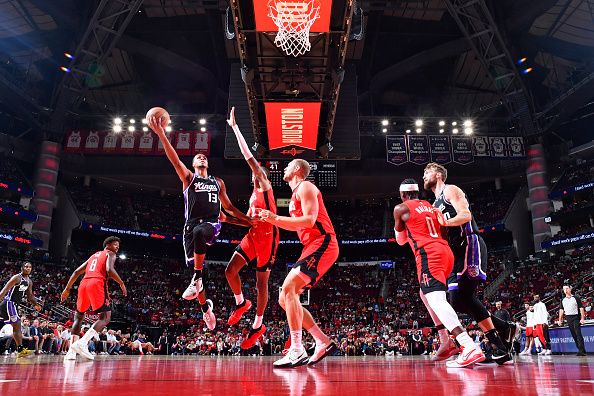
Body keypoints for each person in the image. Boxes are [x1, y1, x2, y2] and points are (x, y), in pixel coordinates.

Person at [147, 114, 252, 330]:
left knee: (199, 237)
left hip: (211, 224)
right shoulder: (188, 178)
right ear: (193, 164)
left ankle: (196, 277)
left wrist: (248, 220)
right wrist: (161, 135)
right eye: (198, 157)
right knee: (196, 257)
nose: (202, 157)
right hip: (190, 226)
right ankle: (206, 308)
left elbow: (230, 208)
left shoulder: (218, 182)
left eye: (204, 157)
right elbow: (174, 158)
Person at [423, 163, 514, 364]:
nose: (423, 176)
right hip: (454, 252)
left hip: (468, 243)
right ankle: (503, 330)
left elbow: (465, 214)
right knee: (457, 301)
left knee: (462, 297)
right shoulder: (434, 204)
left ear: (438, 175)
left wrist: (444, 223)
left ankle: (498, 344)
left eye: (426, 172)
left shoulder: (450, 190)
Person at [393, 178, 484, 368]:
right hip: (446, 252)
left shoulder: (400, 209)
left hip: (428, 255)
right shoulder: (433, 207)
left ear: (402, 195)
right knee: (424, 293)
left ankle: (468, 345)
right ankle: (445, 339)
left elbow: (401, 241)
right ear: (418, 193)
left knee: (436, 300)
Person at [257, 159, 338, 368]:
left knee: (289, 287)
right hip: (311, 245)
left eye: (288, 165)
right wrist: (273, 220)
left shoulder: (306, 186)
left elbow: (310, 220)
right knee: (285, 299)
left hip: (323, 241)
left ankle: (296, 348)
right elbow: (297, 225)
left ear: (297, 169)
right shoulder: (295, 194)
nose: (284, 168)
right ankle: (322, 341)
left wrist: (274, 218)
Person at [225, 107, 280, 348]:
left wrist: (236, 129)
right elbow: (248, 221)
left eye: (258, 172)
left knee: (261, 285)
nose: (255, 174)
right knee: (229, 271)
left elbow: (249, 158)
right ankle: (240, 303)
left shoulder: (266, 186)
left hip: (268, 237)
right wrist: (229, 221)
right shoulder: (252, 196)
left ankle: (257, 326)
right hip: (253, 235)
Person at [61, 236, 127, 361]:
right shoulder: (110, 254)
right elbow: (109, 270)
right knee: (105, 317)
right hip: (97, 283)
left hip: (84, 283)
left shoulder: (93, 256)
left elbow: (76, 272)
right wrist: (121, 283)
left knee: (79, 316)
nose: (117, 247)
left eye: (118, 245)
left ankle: (71, 352)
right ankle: (82, 343)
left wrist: (67, 289)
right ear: (107, 245)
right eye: (115, 244)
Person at [0, 261, 42, 358]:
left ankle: (19, 350)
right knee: (17, 326)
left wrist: (36, 304)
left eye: (30, 267)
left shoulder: (29, 281)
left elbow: (30, 296)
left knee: (9, 325)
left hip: (13, 305)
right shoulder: (16, 277)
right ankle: (20, 350)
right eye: (26, 266)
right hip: (9, 303)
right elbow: (5, 290)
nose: (28, 268)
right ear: (22, 268)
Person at [558, 285, 587, 356]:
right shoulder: (563, 300)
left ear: (570, 289)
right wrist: (560, 320)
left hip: (575, 317)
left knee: (578, 333)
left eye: (567, 288)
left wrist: (582, 318)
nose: (565, 290)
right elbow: (561, 310)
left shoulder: (576, 297)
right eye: (564, 289)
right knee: (574, 335)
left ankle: (582, 350)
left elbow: (581, 308)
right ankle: (580, 349)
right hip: (568, 318)